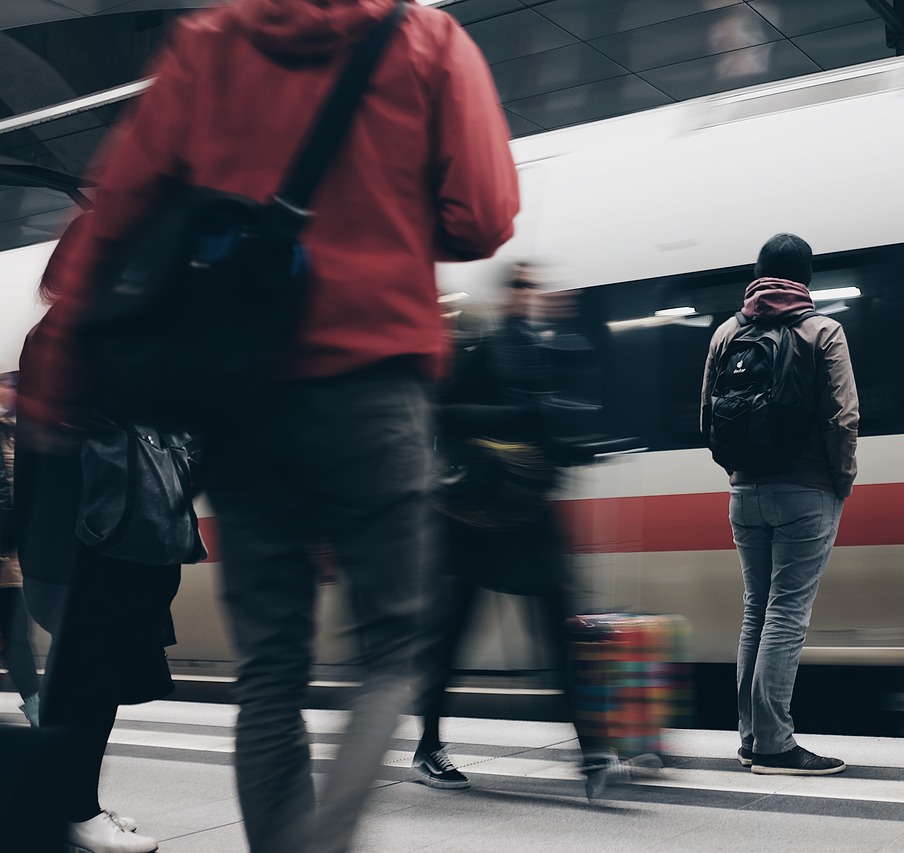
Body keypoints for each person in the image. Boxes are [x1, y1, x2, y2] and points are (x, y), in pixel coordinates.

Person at [15, 1, 519, 851]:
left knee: (272, 670)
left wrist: (57, 367)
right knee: (396, 644)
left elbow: (120, 209)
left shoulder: (210, 45)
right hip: (374, 391)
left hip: (243, 399)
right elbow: (482, 216)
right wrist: (383, 222)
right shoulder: (429, 42)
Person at [414, 268, 624, 798]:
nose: (538, 296)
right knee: (451, 634)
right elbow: (444, 414)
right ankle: (428, 745)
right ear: (510, 295)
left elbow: (554, 431)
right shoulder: (485, 348)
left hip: (529, 514)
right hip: (476, 518)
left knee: (559, 630)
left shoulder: (549, 351)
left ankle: (592, 752)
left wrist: (578, 443)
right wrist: (521, 416)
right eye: (526, 287)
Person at [16, 226, 182, 853]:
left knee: (89, 677)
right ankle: (71, 812)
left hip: (90, 534)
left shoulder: (71, 331)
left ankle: (66, 806)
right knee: (86, 681)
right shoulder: (76, 334)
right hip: (92, 536)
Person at [700, 233, 859, 776]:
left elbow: (707, 415)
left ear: (759, 273)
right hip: (807, 492)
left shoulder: (727, 331)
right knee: (786, 613)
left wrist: (741, 475)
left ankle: (751, 736)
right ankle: (773, 745)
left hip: (744, 493)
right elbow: (842, 419)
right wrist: (840, 481)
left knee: (756, 611)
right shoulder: (822, 331)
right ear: (806, 279)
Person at [0, 374, 40, 728]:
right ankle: (36, 705)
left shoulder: (24, 432)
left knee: (17, 638)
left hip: (16, 557)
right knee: (15, 639)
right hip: (10, 554)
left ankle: (36, 705)